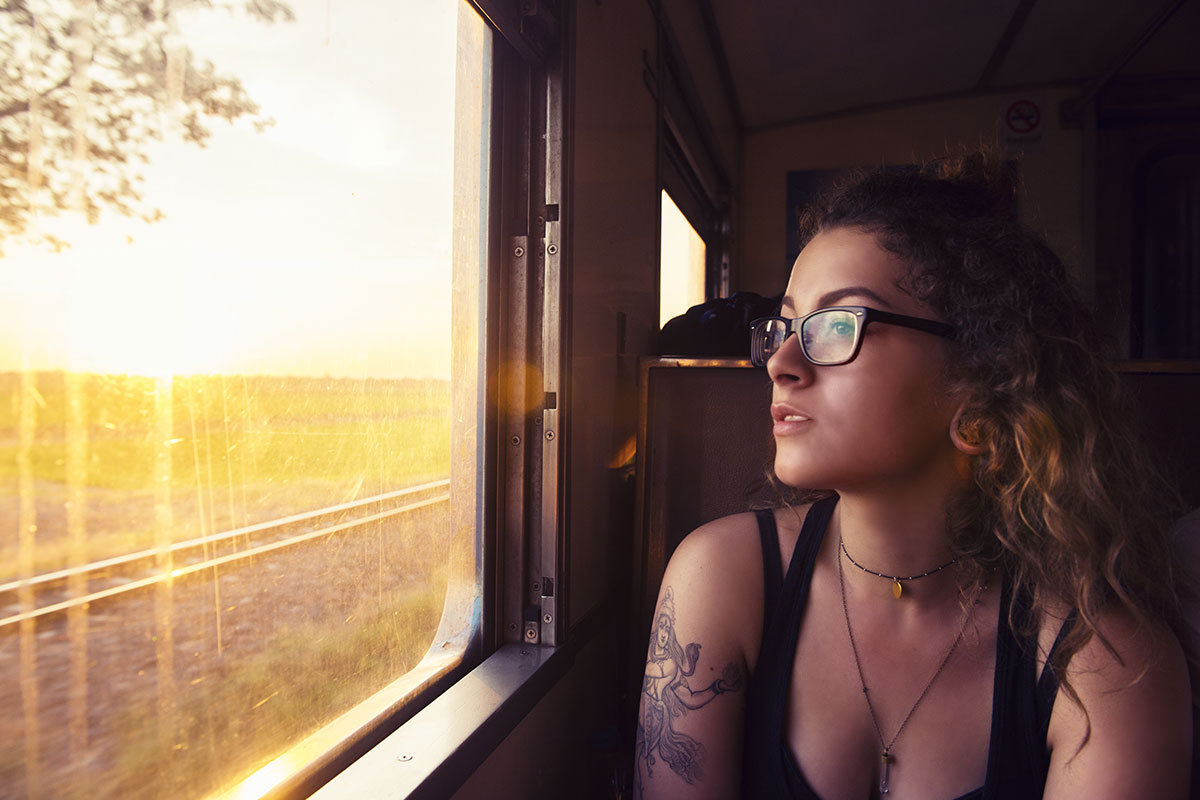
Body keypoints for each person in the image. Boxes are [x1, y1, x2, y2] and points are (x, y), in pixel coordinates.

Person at [634, 151, 1192, 799]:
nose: (781, 362)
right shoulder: (721, 576)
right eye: (785, 326)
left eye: (836, 324)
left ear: (982, 371)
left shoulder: (1107, 660)